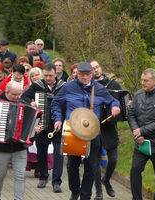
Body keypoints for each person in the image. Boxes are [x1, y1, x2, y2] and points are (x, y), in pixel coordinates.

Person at [51, 62, 121, 200]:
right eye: (81, 74)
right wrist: (58, 119)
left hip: (92, 132)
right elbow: (56, 103)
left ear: (91, 74)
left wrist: (115, 107)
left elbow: (113, 101)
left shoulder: (99, 89)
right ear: (77, 73)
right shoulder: (68, 87)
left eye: (87, 75)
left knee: (91, 166)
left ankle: (85, 195)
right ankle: (75, 190)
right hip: (73, 132)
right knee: (72, 165)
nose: (84, 77)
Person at [0, 81, 42, 200]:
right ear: (7, 92)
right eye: (15, 95)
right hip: (1, 147)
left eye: (20, 94)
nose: (18, 97)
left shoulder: (24, 103)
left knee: (20, 176)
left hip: (20, 148)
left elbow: (33, 124)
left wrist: (35, 130)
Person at [22, 63, 65, 193]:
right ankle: (43, 177)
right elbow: (24, 97)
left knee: (59, 154)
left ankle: (56, 182)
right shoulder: (37, 86)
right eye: (45, 75)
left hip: (58, 125)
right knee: (41, 154)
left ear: (55, 74)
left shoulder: (63, 86)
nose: (47, 78)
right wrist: (31, 102)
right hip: (42, 125)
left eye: (50, 75)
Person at [128, 68, 155, 200]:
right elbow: (131, 114)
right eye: (142, 80)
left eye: (146, 81)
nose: (143, 83)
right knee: (134, 171)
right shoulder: (138, 95)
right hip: (141, 143)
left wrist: (142, 131)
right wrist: (136, 132)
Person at [89, 59, 122, 200]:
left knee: (113, 159)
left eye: (97, 67)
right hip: (94, 127)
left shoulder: (113, 85)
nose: (96, 70)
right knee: (95, 161)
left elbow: (123, 101)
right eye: (93, 69)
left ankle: (106, 180)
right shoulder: (88, 87)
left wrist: (126, 105)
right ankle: (98, 192)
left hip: (110, 128)